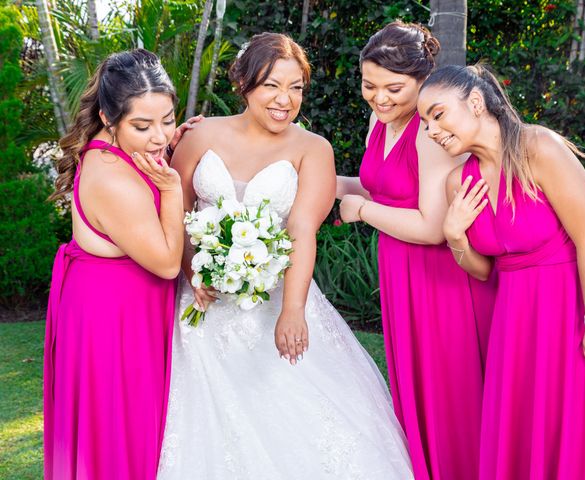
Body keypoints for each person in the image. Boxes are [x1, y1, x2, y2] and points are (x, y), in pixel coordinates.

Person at [156, 32, 413, 479]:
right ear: (245, 84)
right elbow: (174, 211)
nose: (285, 99)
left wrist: (292, 311)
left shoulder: (313, 149)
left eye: (296, 88)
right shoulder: (200, 135)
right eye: (272, 85)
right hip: (201, 303)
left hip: (278, 294)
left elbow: (301, 231)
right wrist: (192, 272)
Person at [419, 64, 585, 479]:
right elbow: (484, 272)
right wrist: (455, 236)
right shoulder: (459, 183)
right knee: (519, 429)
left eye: (437, 115)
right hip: (514, 321)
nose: (430, 130)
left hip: (572, 310)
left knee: (569, 429)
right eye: (424, 122)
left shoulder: (539, 148)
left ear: (475, 103)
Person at [336, 22, 493, 480]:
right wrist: (320, 184)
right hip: (400, 271)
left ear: (423, 82)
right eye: (369, 85)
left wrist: (361, 212)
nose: (380, 98)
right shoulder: (379, 120)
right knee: (416, 387)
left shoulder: (430, 133)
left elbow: (431, 227)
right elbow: (379, 185)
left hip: (441, 279)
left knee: (450, 393)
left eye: (394, 88)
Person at [44, 49, 198, 479]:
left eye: (167, 119)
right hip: (111, 321)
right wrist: (170, 190)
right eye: (142, 125)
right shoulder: (111, 174)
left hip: (124, 309)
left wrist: (174, 138)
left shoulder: (128, 151)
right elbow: (167, 263)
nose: (159, 136)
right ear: (110, 119)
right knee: (118, 437)